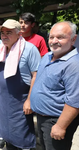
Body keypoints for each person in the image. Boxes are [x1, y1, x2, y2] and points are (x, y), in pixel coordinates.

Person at [0, 19, 41, 149]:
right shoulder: (2, 49)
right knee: (5, 128)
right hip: (4, 99)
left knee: (21, 131)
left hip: (20, 101)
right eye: (2, 33)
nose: (4, 36)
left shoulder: (29, 49)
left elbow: (36, 76)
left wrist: (30, 100)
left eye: (9, 32)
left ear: (19, 34)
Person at [30, 21, 79, 150]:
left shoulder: (74, 65)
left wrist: (61, 126)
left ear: (73, 39)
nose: (54, 41)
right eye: (51, 37)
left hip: (56, 120)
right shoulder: (47, 56)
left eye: (60, 37)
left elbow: (75, 100)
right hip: (42, 117)